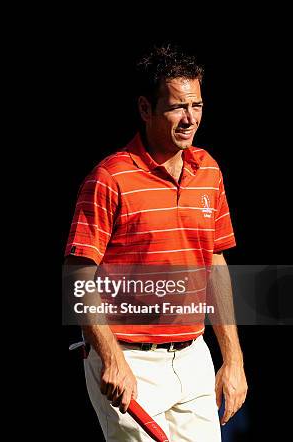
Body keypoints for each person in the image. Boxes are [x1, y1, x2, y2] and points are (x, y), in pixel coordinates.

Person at [64, 45, 247, 441]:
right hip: (129, 356)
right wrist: (111, 359)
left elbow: (215, 262)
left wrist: (233, 361)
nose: (190, 119)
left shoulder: (209, 171)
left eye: (197, 105)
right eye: (177, 107)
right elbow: (78, 276)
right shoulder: (110, 178)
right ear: (146, 109)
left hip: (193, 353)